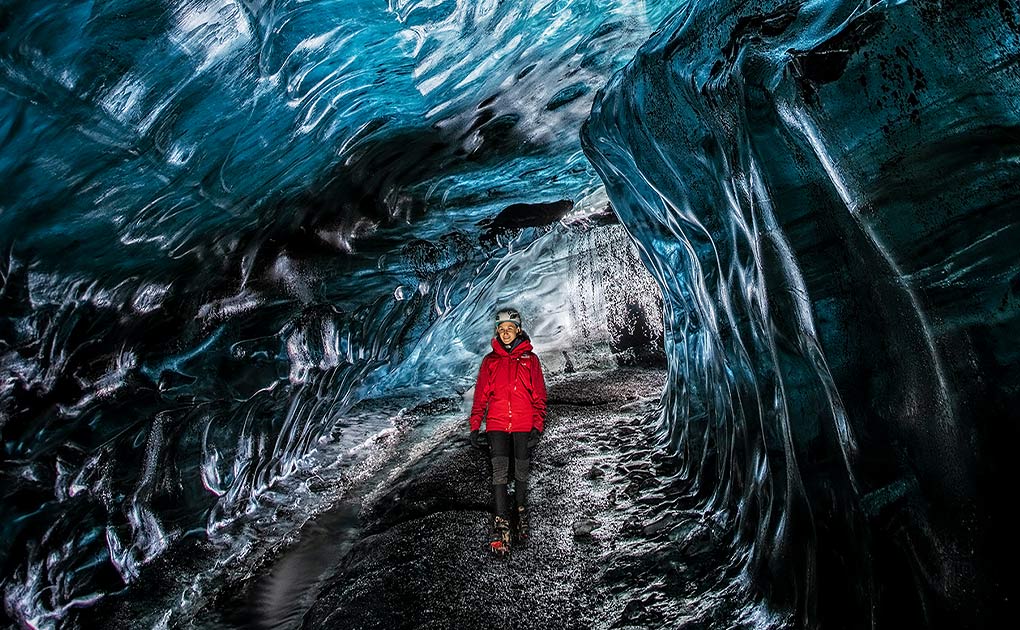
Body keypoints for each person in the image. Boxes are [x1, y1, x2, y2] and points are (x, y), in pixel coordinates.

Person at [468, 307, 547, 556]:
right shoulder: (490, 362)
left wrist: (537, 425)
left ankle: (521, 512)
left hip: (523, 424)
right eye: (501, 330)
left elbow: (539, 396)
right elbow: (481, 396)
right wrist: (474, 426)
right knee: (500, 473)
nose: (505, 333)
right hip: (497, 425)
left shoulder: (530, 360)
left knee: (521, 471)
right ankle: (501, 521)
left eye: (509, 329)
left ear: (518, 330)